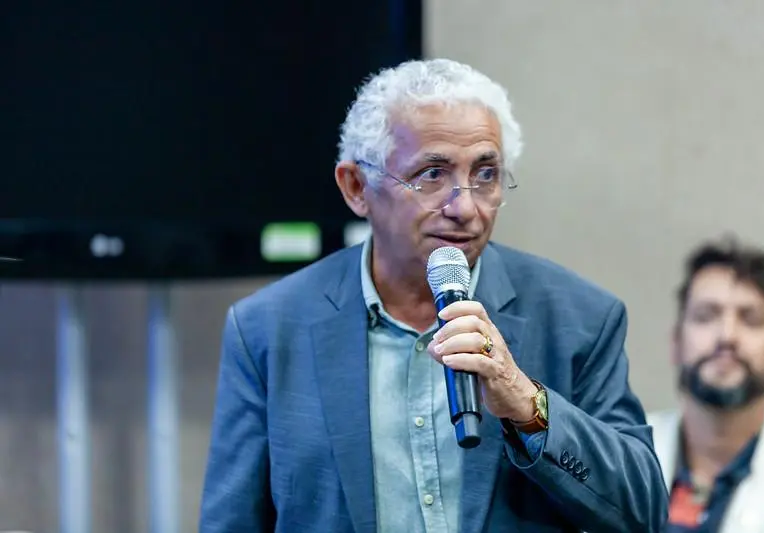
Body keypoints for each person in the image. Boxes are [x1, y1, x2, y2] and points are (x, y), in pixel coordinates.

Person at [199, 58, 668, 532]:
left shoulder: (580, 318)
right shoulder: (269, 329)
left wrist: (528, 406)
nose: (464, 207)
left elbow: (643, 511)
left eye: (486, 174)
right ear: (357, 187)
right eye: (432, 174)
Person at [648, 237, 764, 532]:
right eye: (706, 316)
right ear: (676, 343)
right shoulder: (616, 450)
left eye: (751, 319)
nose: (726, 336)